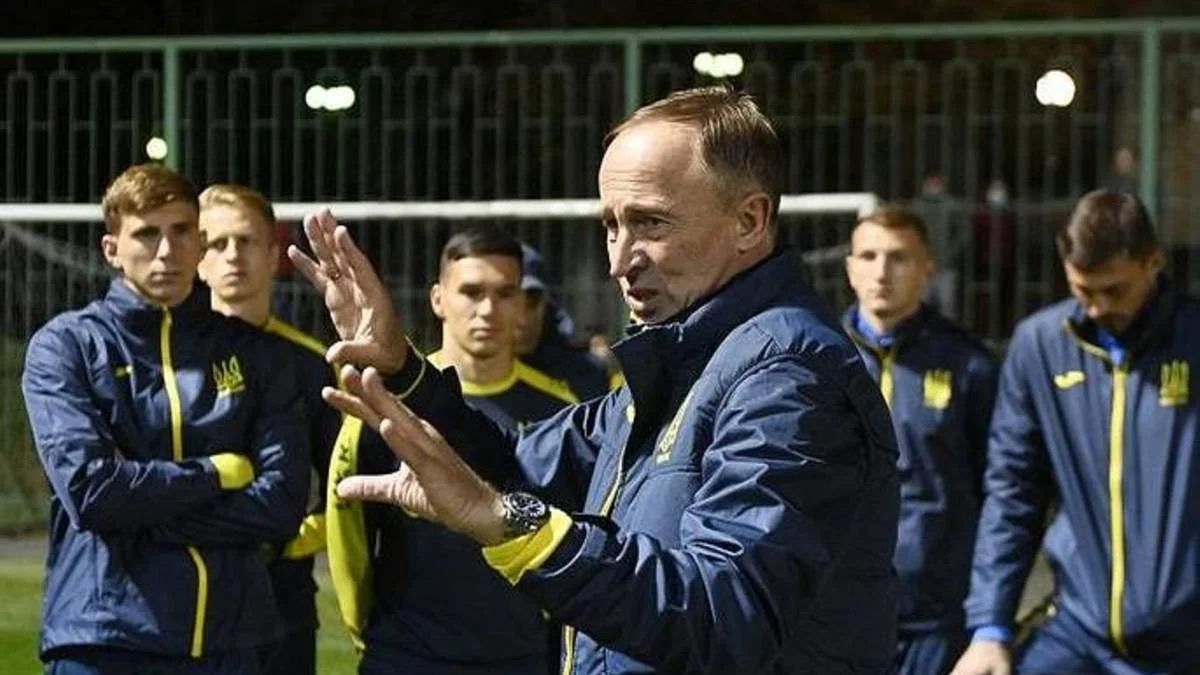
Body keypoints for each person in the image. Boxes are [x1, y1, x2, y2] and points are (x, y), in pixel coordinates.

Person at [293, 86, 900, 674]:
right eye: (611, 225)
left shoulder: (785, 375)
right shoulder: (687, 358)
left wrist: (506, 520)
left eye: (650, 223)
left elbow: (722, 615)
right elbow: (523, 463)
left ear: (749, 220)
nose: (618, 260)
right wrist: (403, 370)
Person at [22, 164, 310, 674]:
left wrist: (136, 515)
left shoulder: (260, 356)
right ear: (111, 249)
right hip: (104, 637)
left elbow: (281, 507)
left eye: (181, 232)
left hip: (232, 641)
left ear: (199, 243)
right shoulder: (65, 346)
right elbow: (92, 493)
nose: (166, 251)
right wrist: (216, 473)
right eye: (147, 234)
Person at [952, 190, 1200, 675]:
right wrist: (989, 627)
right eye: (1083, 291)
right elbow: (1013, 491)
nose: (1098, 307)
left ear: (1153, 261)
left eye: (1114, 290)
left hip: (1185, 641)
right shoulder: (1040, 345)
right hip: (1079, 631)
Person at [330, 225, 577, 674]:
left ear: (523, 304)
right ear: (438, 299)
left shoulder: (560, 410)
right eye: (471, 292)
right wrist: (363, 632)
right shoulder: (382, 404)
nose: (488, 309)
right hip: (405, 656)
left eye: (505, 293)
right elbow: (349, 536)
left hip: (521, 658)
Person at [843, 205, 999, 675]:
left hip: (934, 616)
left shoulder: (969, 366)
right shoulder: (815, 359)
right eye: (868, 256)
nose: (881, 272)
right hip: (835, 611)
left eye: (898, 258)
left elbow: (1000, 491)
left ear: (927, 268)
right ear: (849, 268)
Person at [197, 183, 339, 675]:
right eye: (216, 243)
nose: (232, 254)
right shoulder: (169, 358)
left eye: (247, 241)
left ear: (273, 255)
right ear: (197, 257)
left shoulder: (312, 364)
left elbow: (343, 479)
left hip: (282, 594)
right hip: (188, 587)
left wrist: (295, 537)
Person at [515, 242, 612, 399]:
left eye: (532, 302)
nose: (523, 320)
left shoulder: (585, 375)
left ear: (546, 303)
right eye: (511, 303)